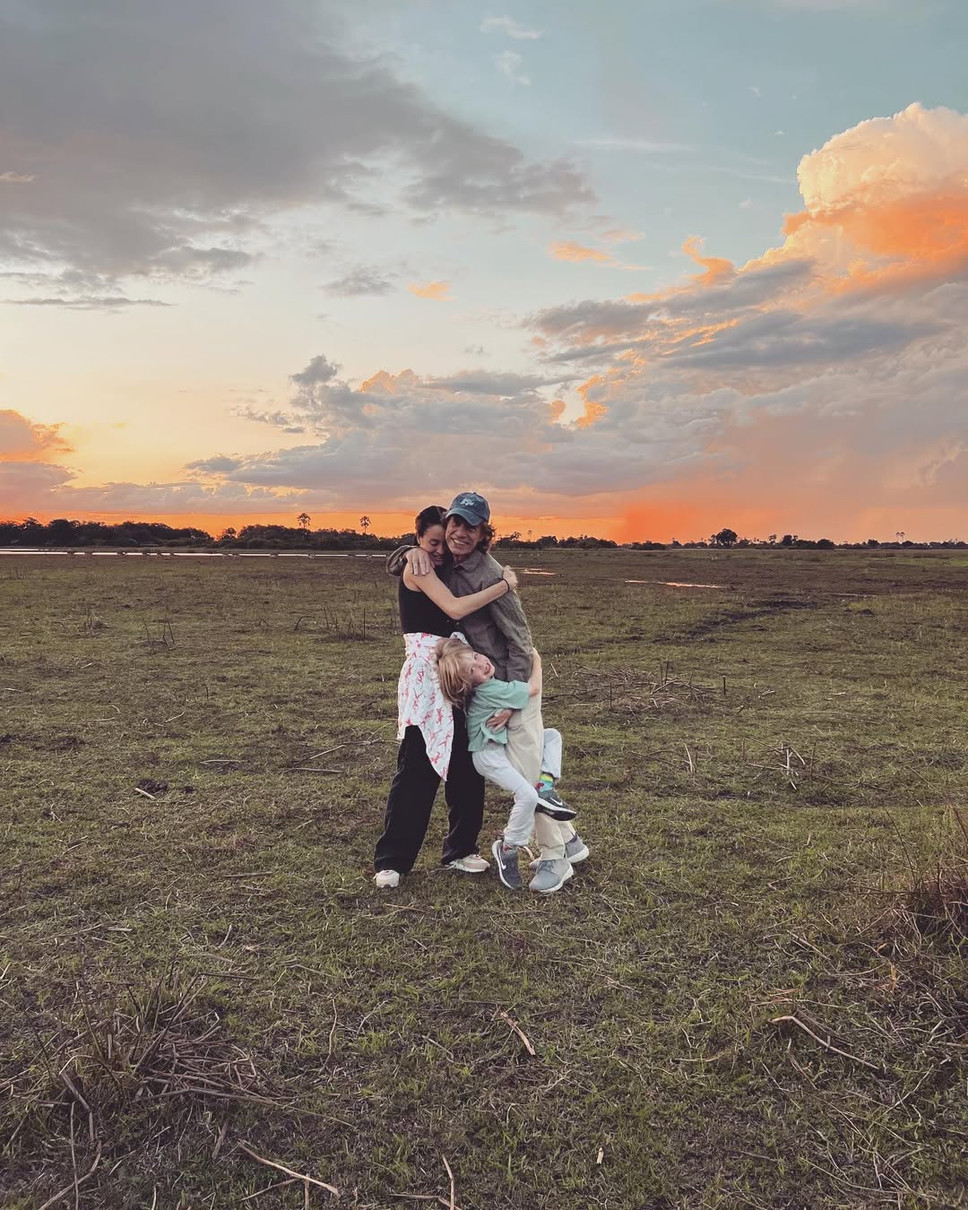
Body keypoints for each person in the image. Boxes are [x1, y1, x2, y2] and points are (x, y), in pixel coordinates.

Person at [390, 491, 589, 894]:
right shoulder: (446, 563)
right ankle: (571, 841)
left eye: (472, 527)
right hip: (482, 684)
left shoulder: (490, 572)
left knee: (528, 772)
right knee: (512, 764)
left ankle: (555, 856)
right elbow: (418, 572)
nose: (460, 533)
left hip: (512, 685)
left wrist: (515, 701)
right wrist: (405, 553)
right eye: (456, 524)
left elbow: (521, 641)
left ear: (484, 534)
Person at [373, 505, 518, 889]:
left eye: (444, 543)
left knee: (467, 765)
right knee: (417, 769)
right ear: (418, 539)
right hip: (426, 678)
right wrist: (504, 584)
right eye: (431, 543)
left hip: (460, 671)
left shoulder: (450, 568)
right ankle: (392, 860)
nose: (439, 551)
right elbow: (454, 607)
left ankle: (461, 849)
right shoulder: (418, 567)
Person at [435, 637, 576, 892]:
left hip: (498, 748)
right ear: (469, 683)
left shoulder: (489, 685)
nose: (482, 664)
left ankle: (546, 785)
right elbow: (533, 689)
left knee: (551, 737)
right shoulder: (488, 689)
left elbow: (510, 699)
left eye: (476, 656)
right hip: (488, 756)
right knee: (527, 795)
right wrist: (536, 660)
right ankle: (508, 845)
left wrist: (509, 709)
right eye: (473, 670)